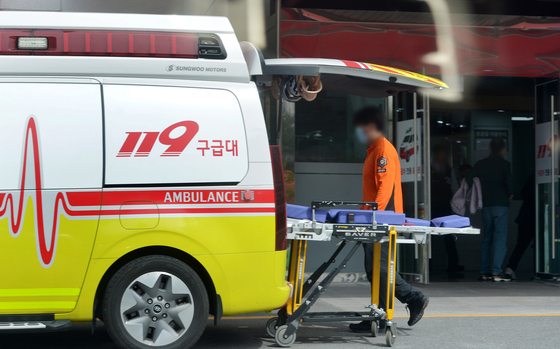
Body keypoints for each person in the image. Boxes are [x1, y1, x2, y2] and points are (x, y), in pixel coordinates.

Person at [349, 106, 429, 333]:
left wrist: (376, 217)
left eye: (361, 128)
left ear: (371, 127)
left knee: (380, 268)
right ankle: (380, 314)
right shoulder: (374, 150)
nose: (359, 133)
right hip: (374, 218)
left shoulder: (383, 150)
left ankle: (406, 302)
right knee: (376, 268)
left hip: (381, 218)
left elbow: (384, 188)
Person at [466, 138, 513, 282]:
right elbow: (510, 185)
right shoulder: (505, 164)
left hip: (486, 206)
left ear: (490, 149)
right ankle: (497, 273)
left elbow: (468, 177)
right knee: (499, 240)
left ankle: (483, 272)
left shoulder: (481, 164)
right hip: (501, 206)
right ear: (503, 150)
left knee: (486, 239)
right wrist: (509, 195)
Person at [431, 145, 464, 273]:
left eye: (445, 155)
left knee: (449, 236)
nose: (443, 157)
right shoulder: (428, 168)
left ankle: (453, 264)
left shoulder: (449, 169)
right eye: (441, 154)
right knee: (428, 236)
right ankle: (426, 266)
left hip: (445, 206)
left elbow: (455, 189)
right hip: (431, 206)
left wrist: (456, 207)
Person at [505, 175, 535, 280]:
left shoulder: (532, 178)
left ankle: (510, 268)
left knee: (521, 245)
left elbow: (523, 193)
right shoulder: (547, 179)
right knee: (542, 247)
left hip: (525, 217)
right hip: (540, 217)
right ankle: (539, 271)